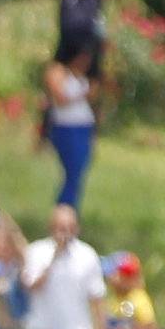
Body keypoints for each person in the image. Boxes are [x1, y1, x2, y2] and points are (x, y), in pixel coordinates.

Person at [42, 45, 99, 210]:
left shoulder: (82, 75)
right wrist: (84, 94)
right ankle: (63, 210)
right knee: (72, 173)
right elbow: (59, 99)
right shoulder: (58, 72)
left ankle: (71, 211)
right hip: (67, 128)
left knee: (79, 174)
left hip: (83, 128)